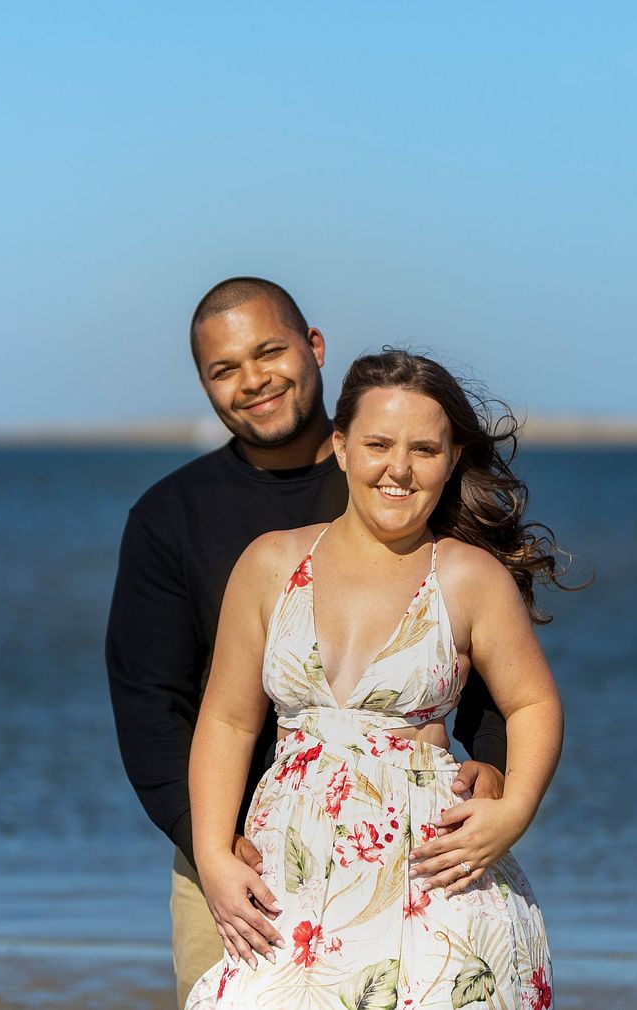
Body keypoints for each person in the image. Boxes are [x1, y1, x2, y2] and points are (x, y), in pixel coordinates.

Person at [106, 280, 510, 1008]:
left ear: (314, 347)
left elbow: (485, 651)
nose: (253, 380)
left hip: (405, 848)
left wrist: (493, 764)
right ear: (204, 384)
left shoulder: (396, 476)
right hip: (239, 868)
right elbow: (150, 707)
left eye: (269, 352)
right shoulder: (170, 518)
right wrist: (210, 847)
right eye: (224, 369)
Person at [184, 349, 566, 1009]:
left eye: (424, 449)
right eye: (379, 444)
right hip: (292, 882)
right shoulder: (271, 563)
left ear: (452, 459)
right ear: (341, 447)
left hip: (433, 884)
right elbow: (227, 721)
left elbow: (533, 703)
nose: (400, 468)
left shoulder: (469, 576)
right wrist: (213, 854)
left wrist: (515, 812)